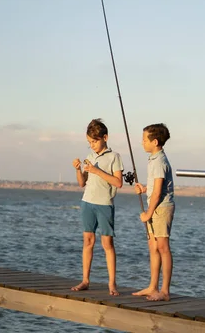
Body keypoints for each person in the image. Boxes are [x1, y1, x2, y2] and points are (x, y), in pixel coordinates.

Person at [71, 118, 124, 296]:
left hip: (104, 204)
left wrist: (97, 171)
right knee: (88, 241)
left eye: (94, 141)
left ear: (105, 138)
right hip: (87, 202)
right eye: (89, 142)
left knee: (107, 243)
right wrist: (79, 170)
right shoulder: (90, 157)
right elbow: (82, 183)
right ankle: (85, 280)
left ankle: (112, 284)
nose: (92, 145)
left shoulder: (114, 157)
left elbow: (118, 183)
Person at [132, 123, 175, 301]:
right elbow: (154, 188)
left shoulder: (159, 162)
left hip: (161, 208)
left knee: (163, 247)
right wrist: (144, 189)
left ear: (155, 141)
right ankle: (152, 286)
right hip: (155, 206)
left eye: (144, 140)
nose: (142, 142)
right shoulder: (154, 159)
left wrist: (148, 213)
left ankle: (164, 291)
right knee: (153, 246)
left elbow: (158, 193)